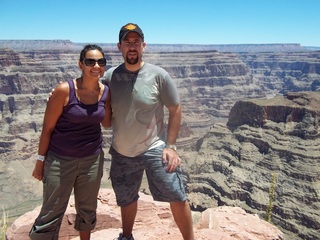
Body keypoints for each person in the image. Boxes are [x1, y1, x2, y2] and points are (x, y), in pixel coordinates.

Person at [102, 23, 195, 240]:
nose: (132, 47)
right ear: (119, 46)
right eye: (127, 42)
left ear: (144, 46)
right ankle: (126, 236)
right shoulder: (109, 77)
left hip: (155, 147)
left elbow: (175, 108)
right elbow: (87, 93)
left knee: (176, 194)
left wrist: (171, 146)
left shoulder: (158, 75)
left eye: (136, 42)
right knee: (126, 198)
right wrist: (61, 92)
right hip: (122, 150)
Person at [29, 44, 111, 240]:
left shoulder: (106, 92)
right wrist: (40, 161)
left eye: (101, 62)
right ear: (80, 64)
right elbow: (47, 129)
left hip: (92, 160)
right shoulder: (64, 90)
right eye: (90, 61)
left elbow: (107, 123)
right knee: (51, 212)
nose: (96, 65)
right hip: (60, 160)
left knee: (88, 209)